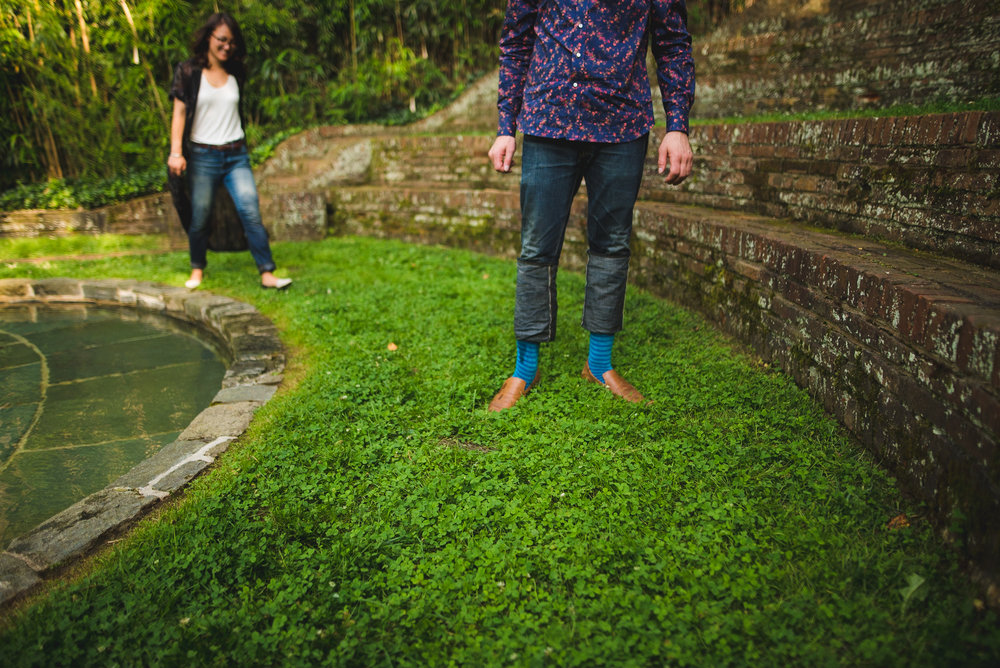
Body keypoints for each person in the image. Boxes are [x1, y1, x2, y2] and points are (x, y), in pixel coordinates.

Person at [487, 0, 695, 411]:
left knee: (611, 245)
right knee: (536, 248)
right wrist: (505, 126)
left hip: (622, 124)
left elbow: (672, 43)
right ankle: (525, 369)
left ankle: (600, 364)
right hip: (548, 119)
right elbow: (516, 42)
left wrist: (678, 126)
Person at [167, 12, 291, 290]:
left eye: (231, 42)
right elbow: (179, 112)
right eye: (222, 40)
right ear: (208, 38)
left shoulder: (237, 70)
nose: (227, 46)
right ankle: (197, 269)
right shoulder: (188, 71)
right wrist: (176, 152)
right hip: (202, 155)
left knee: (250, 211)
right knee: (200, 214)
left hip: (236, 155)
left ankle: (267, 273)